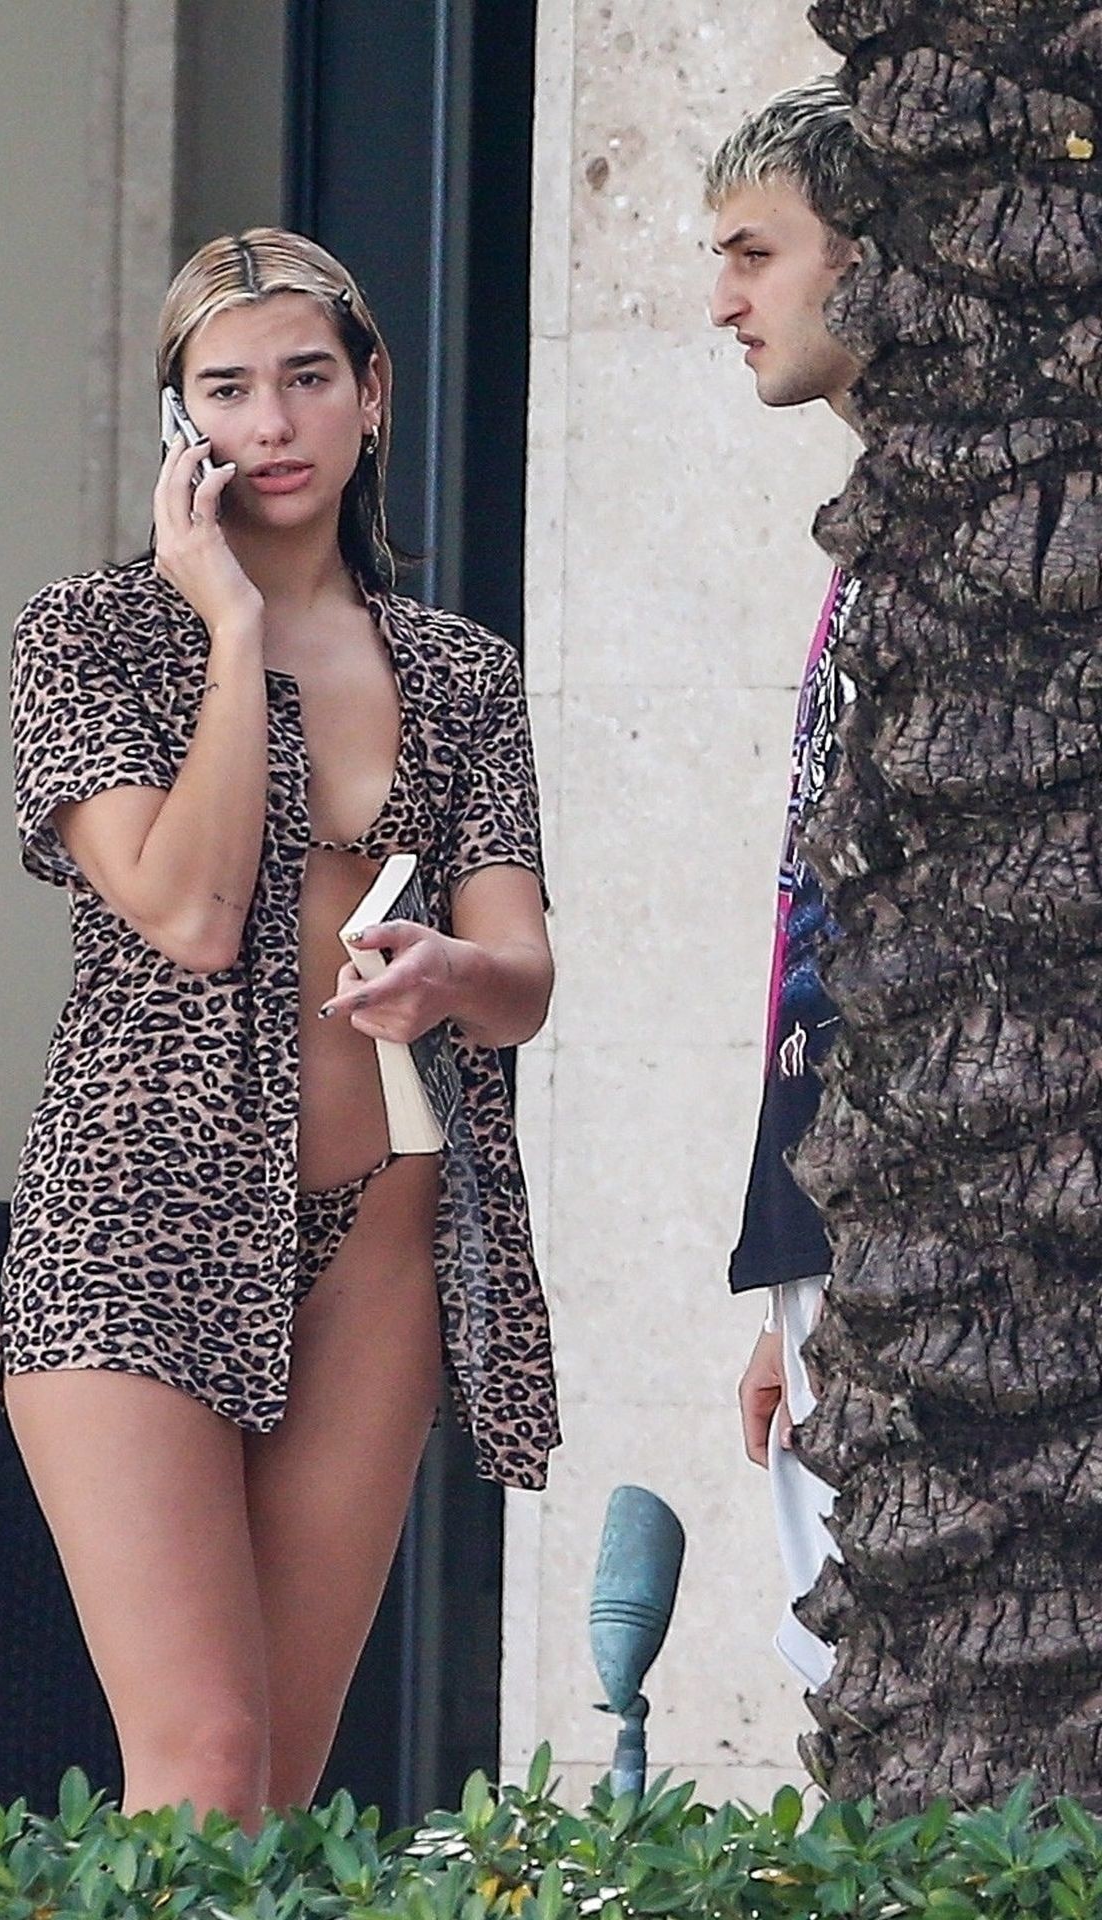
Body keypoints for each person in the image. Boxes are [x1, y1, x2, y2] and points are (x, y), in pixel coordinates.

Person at [0, 227, 561, 1826]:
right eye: (229, 390)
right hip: (133, 1217)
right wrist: (233, 633)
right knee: (204, 1763)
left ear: (373, 392)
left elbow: (524, 974)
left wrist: (450, 973)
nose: (274, 423)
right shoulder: (88, 636)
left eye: (308, 378)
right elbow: (187, 909)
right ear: (183, 421)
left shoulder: (461, 674)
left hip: (378, 1230)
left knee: (273, 1807)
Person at [704, 81, 865, 1688]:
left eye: (757, 253)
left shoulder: (1004, 542)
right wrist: (789, 1289)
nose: (724, 300)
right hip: (849, 1214)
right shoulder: (884, 543)